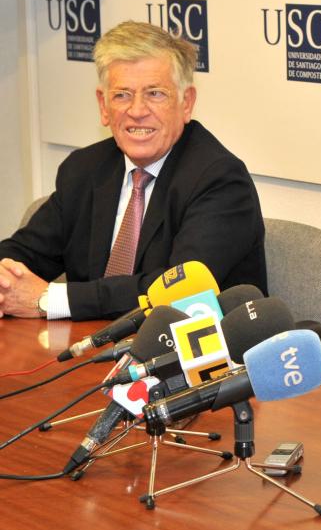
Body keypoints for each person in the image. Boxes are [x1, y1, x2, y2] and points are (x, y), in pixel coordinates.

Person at [0, 21, 266, 321]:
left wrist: (51, 299)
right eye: (122, 95)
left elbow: (179, 294)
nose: (137, 110)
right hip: (90, 348)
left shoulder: (221, 181)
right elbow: (27, 253)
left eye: (155, 94)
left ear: (186, 102)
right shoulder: (83, 170)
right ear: (103, 105)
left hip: (193, 359)